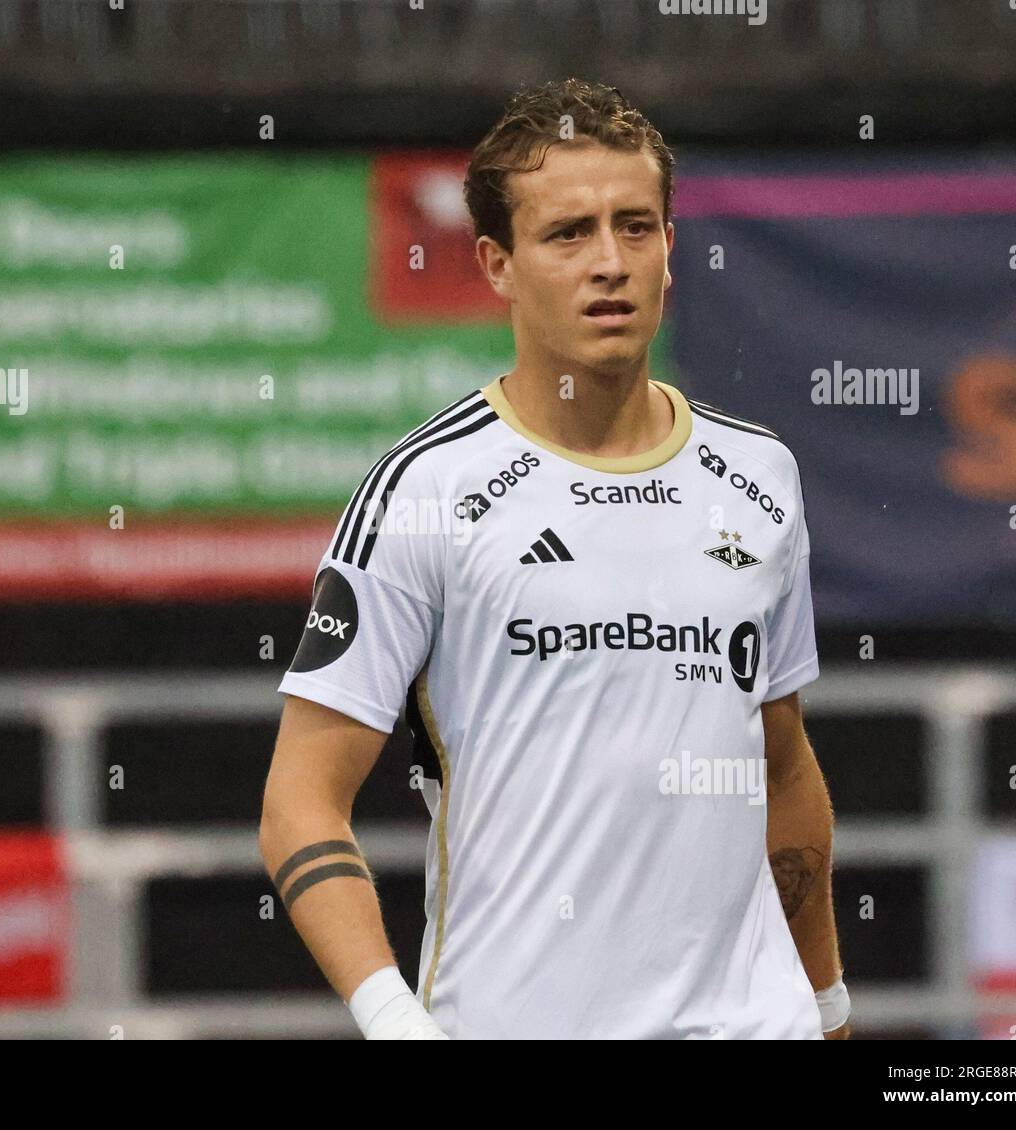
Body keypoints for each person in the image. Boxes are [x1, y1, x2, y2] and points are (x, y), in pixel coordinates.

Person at [260, 77, 850, 1040]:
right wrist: (394, 1021)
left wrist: (827, 1008)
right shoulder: (423, 490)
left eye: (636, 227)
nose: (609, 263)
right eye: (568, 234)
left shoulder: (761, 477)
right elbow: (298, 803)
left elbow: (782, 771)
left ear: (670, 246)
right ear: (497, 264)